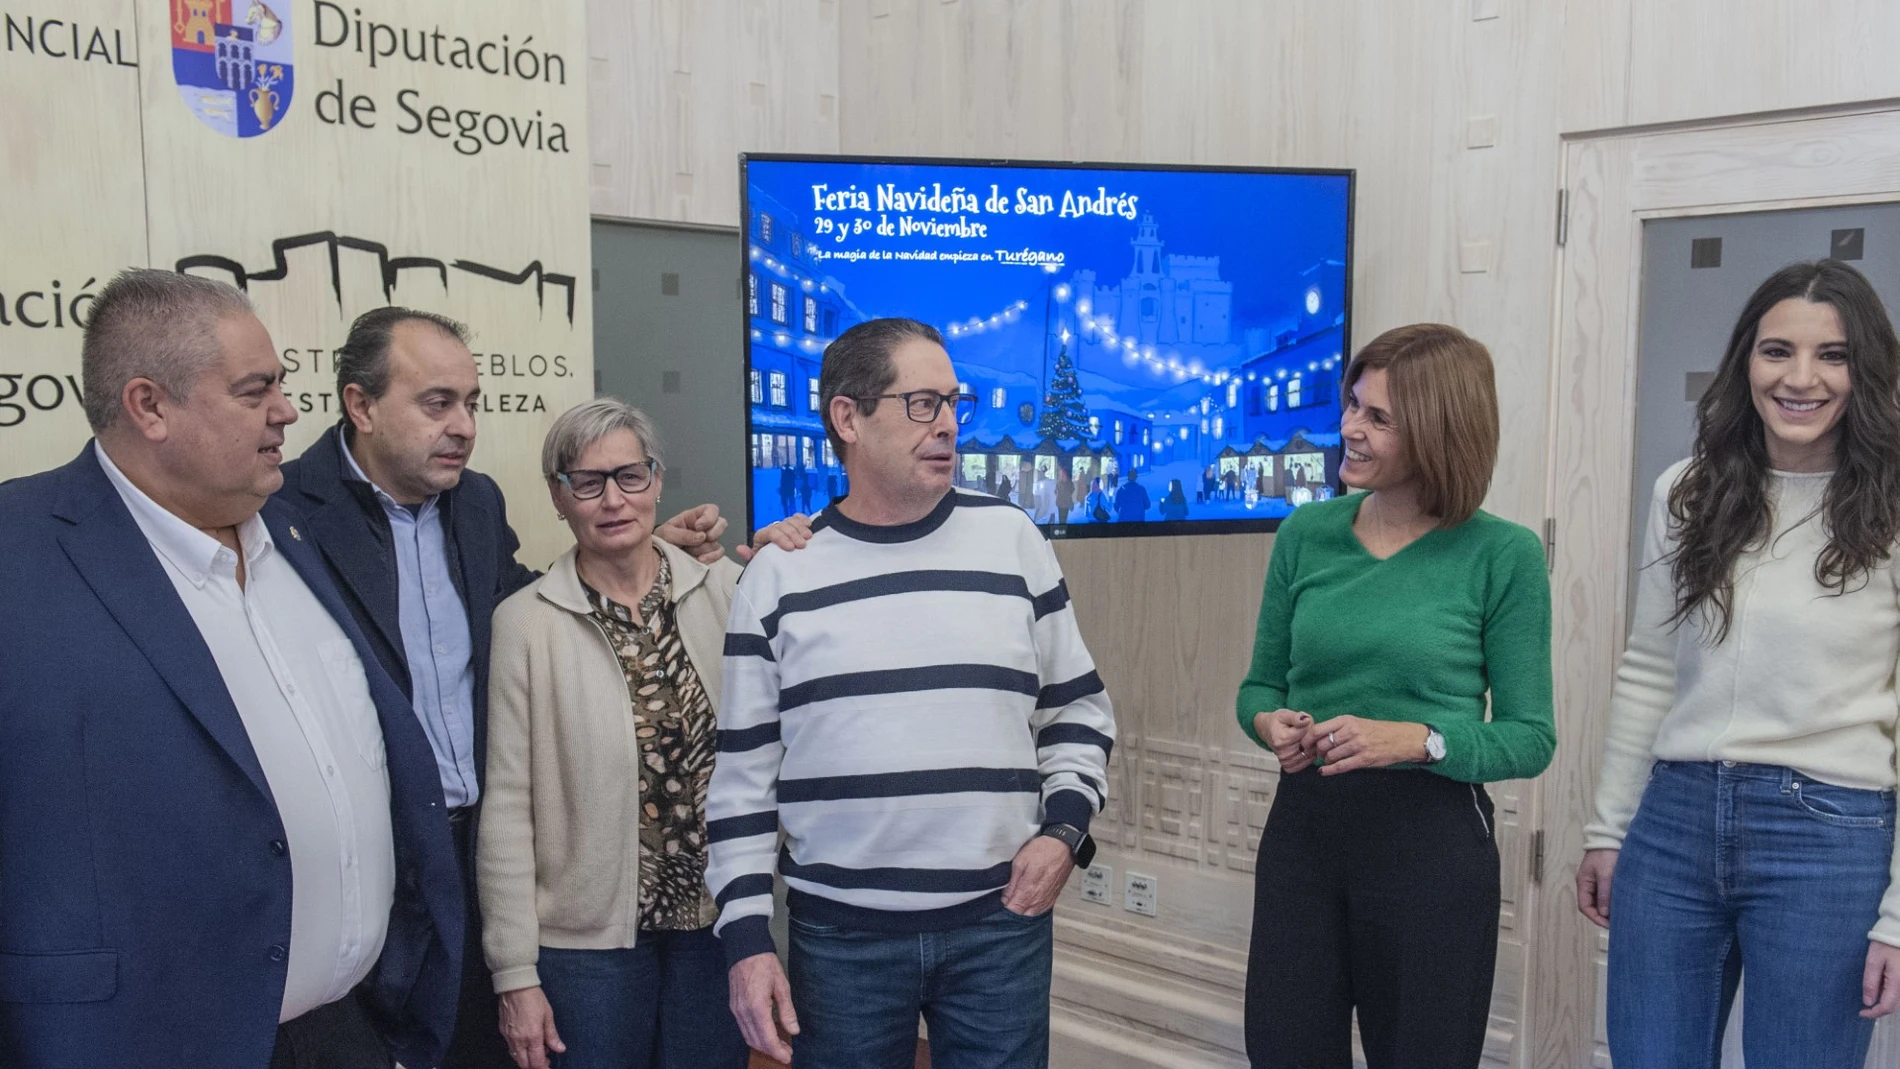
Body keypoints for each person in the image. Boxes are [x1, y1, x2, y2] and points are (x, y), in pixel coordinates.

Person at [275, 307, 784, 1069]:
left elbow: (522, 594)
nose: (463, 425)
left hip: (530, 855)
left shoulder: (474, 503)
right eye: (437, 402)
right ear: (361, 405)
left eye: (471, 402)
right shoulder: (282, 515)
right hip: (388, 846)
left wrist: (659, 549)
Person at [0, 269, 463, 1069]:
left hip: (352, 1031)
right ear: (150, 406)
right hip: (145, 1042)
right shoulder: (21, 553)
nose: (287, 410)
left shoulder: (290, 532)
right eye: (256, 392)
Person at [708, 318, 1117, 1069]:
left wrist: (1064, 833)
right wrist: (745, 938)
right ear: (848, 418)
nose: (950, 425)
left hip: (1001, 925)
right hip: (841, 940)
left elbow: (1079, 710)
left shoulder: (1014, 539)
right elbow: (740, 782)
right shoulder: (778, 573)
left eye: (955, 402)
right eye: (923, 403)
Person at [1577, 260, 1900, 1067]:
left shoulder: (1892, 509)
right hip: (1675, 820)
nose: (1800, 378)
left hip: (1829, 832)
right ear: (1744, 362)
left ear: (1868, 373)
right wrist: (1609, 827)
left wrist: (1898, 914)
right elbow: (1650, 666)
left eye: (1833, 356)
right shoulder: (1686, 492)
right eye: (1776, 350)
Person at [1236, 323, 1555, 1069]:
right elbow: (1259, 685)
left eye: (1378, 417)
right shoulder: (1306, 533)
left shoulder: (1503, 554)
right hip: (1303, 837)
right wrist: (1267, 722)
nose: (1348, 427)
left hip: (1432, 848)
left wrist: (1416, 739)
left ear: (1441, 431)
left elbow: (1530, 735)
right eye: (1352, 404)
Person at [479, 399, 752, 1069]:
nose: (613, 499)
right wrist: (515, 970)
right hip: (586, 949)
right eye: (587, 481)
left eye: (630, 476)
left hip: (715, 926)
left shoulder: (727, 589)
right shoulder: (524, 623)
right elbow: (508, 807)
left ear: (657, 480)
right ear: (558, 496)